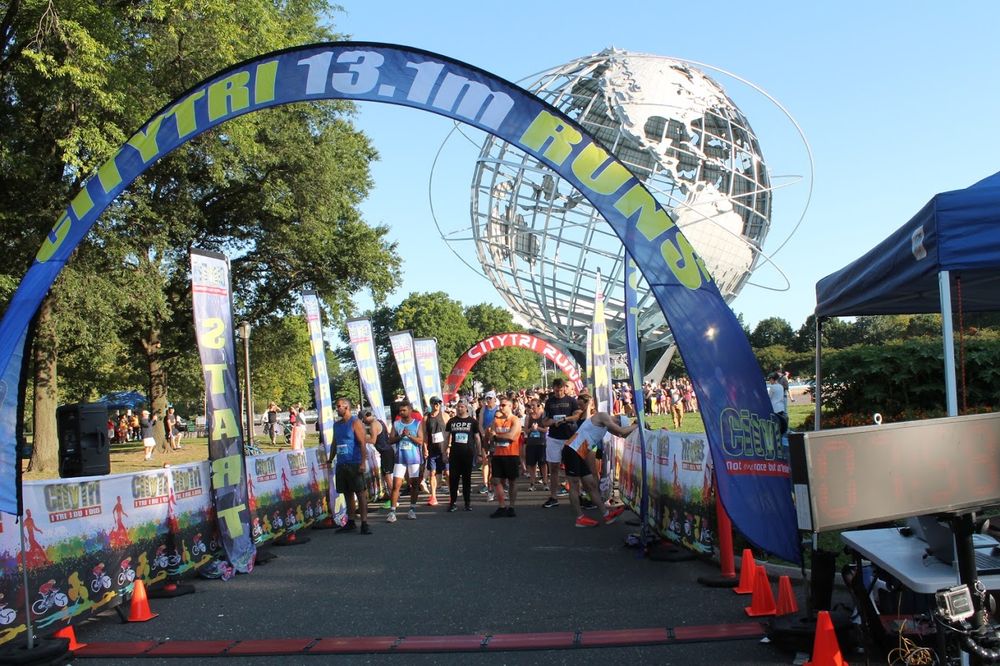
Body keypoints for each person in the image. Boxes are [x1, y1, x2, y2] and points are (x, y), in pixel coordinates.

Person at [562, 396, 637, 527]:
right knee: (574, 485)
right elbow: (620, 431)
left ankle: (606, 515)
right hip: (572, 449)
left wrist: (638, 430)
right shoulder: (603, 416)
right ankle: (580, 518)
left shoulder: (606, 426)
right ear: (617, 420)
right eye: (616, 425)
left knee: (591, 484)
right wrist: (637, 425)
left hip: (580, 452)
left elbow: (621, 434)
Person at [331, 398, 371, 535]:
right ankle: (351, 521)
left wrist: (362, 462)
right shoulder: (336, 425)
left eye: (339, 406)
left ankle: (364, 523)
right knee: (347, 493)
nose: (337, 409)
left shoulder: (355, 422)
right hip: (342, 463)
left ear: (346, 407)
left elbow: (362, 443)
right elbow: (334, 443)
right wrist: (330, 459)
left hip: (354, 463)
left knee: (360, 493)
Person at [542, 379, 581, 509]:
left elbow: (577, 416)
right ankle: (553, 497)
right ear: (553, 389)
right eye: (556, 390)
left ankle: (578, 495)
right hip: (554, 438)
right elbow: (545, 421)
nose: (558, 392)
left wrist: (565, 419)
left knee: (573, 468)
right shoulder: (549, 402)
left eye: (560, 390)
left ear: (564, 388)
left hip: (569, 437)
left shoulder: (571, 401)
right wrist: (553, 421)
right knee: (554, 467)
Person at [387, 403, 424, 522]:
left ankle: (412, 509)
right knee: (396, 485)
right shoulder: (397, 424)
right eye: (400, 411)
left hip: (414, 458)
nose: (401, 412)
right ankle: (392, 512)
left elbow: (420, 441)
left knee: (414, 485)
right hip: (400, 458)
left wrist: (409, 435)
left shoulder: (417, 423)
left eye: (404, 410)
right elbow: (391, 440)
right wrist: (401, 436)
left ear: (410, 410)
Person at [488, 396, 523, 518]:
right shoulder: (495, 420)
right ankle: (502, 506)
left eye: (503, 405)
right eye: (500, 405)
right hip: (498, 455)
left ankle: (512, 506)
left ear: (511, 406)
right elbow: (491, 436)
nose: (501, 407)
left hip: (511, 454)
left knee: (512, 481)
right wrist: (494, 438)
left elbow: (512, 436)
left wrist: (496, 436)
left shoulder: (515, 420)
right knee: (496, 480)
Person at [444, 401, 481, 511]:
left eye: (462, 407)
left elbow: (477, 438)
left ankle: (467, 502)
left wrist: (479, 454)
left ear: (466, 408)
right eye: (458, 407)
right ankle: (453, 502)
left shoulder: (472, 422)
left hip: (468, 454)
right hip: (454, 454)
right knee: (453, 479)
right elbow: (446, 437)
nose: (459, 409)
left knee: (466, 479)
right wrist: (444, 452)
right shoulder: (451, 421)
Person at [423, 397, 447, 506]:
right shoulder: (426, 418)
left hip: (443, 449)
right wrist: (425, 448)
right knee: (432, 473)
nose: (437, 405)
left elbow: (450, 432)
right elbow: (425, 435)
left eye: (439, 403)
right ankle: (433, 496)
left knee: (447, 473)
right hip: (432, 449)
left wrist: (449, 446)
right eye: (435, 403)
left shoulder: (445, 416)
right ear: (431, 404)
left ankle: (453, 494)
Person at [477, 391, 499, 499]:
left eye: (490, 398)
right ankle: (485, 484)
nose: (488, 400)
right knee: (485, 461)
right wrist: (483, 434)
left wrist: (493, 433)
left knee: (495, 461)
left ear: (495, 399)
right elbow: (480, 423)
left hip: (495, 437)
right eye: (487, 398)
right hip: (485, 437)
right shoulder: (483, 409)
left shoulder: (498, 409)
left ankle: (498, 483)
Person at [523, 400, 548, 491]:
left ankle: (545, 482)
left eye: (533, 405)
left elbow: (546, 430)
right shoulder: (528, 417)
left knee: (543, 463)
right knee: (532, 464)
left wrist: (538, 428)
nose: (531, 408)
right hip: (531, 443)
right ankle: (532, 483)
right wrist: (531, 429)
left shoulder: (543, 415)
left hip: (541, 442)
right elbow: (526, 430)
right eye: (530, 406)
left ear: (538, 405)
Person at [767, 372, 789, 436]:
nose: (769, 381)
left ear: (773, 379)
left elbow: (769, 397)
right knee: (780, 424)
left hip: (774, 407)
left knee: (774, 424)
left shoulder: (772, 387)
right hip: (781, 407)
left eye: (770, 380)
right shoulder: (781, 386)